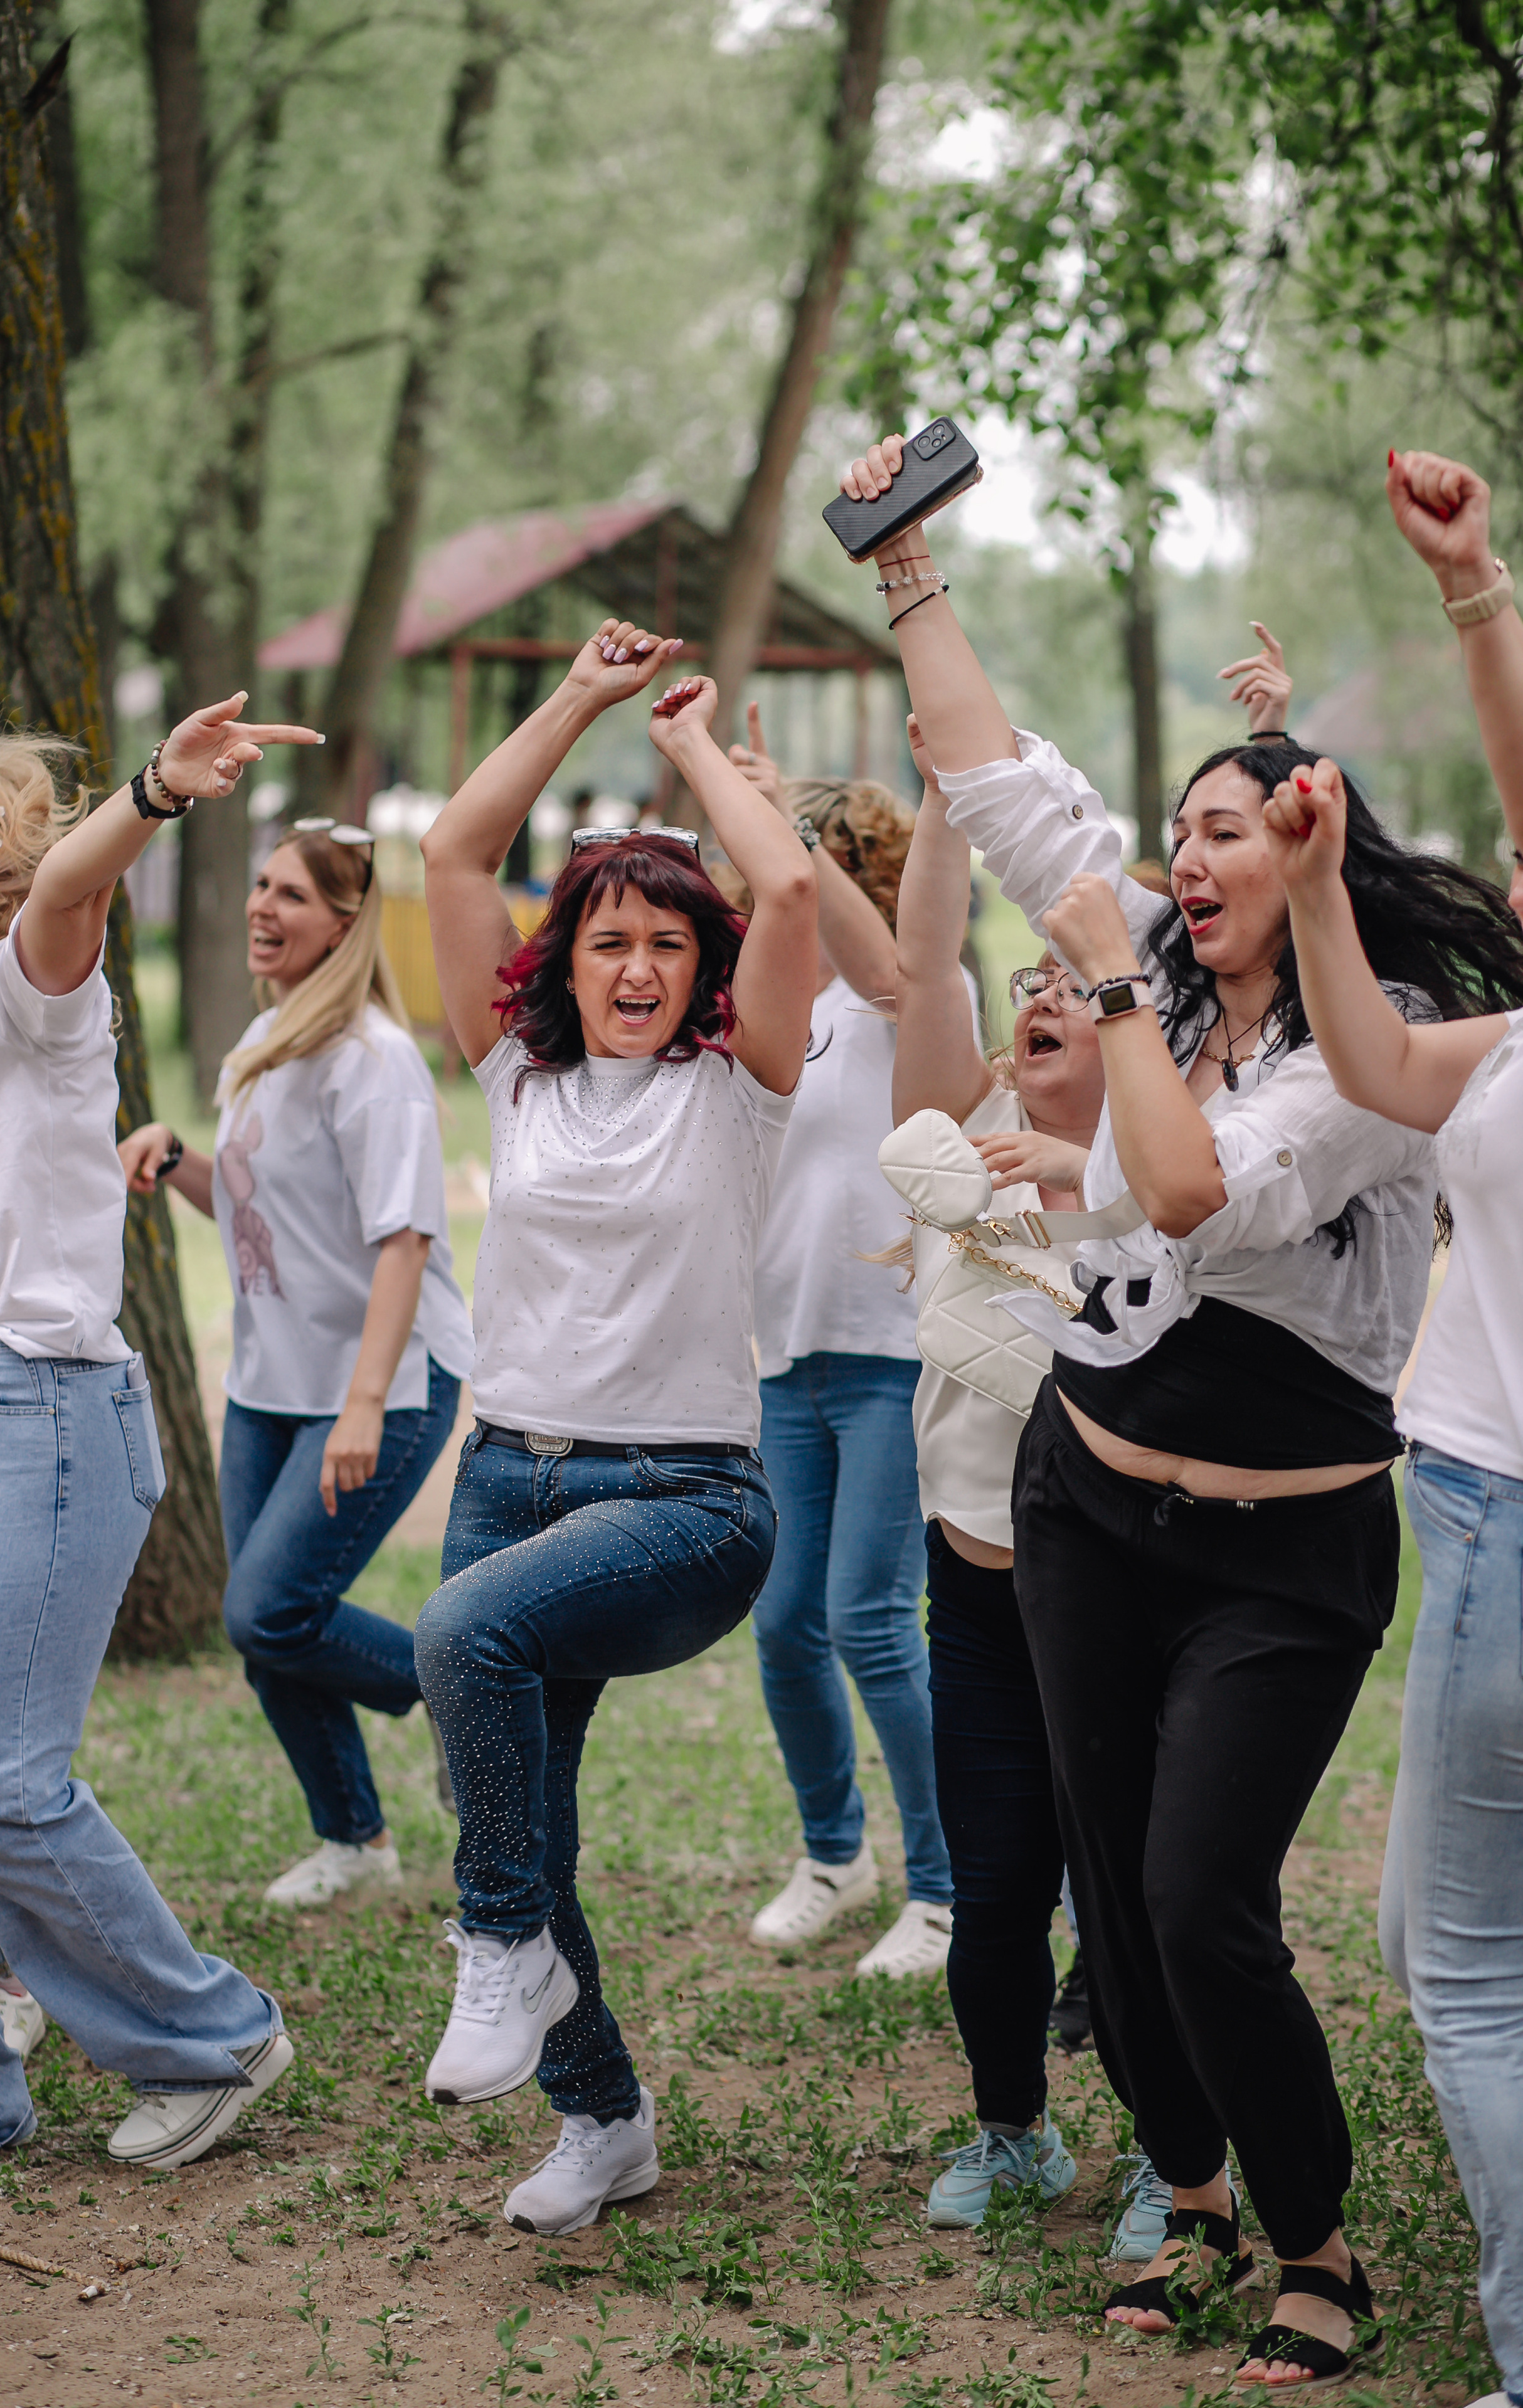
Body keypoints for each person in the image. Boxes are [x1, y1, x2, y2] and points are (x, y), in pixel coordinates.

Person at [834, 434, 1523, 2387]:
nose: (1190, 853)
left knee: (1199, 1898)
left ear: (1303, 854)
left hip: (1287, 1551)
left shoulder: (1354, 1079)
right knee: (1103, 1902)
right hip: (1084, 1501)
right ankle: (1191, 2185)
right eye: (1177, 831)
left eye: (1234, 829)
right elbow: (992, 766)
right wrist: (908, 568)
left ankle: (1320, 2246)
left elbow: (1189, 1190)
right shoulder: (1148, 956)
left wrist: (1120, 991)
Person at [412, 623, 817, 2239]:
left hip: (685, 1501)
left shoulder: (741, 1093)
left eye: (663, 943)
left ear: (696, 970)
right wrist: (574, 696)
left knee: (455, 1642)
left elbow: (783, 895)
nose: (636, 967)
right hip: (507, 1472)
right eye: (605, 943)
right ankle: (603, 2121)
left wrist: (690, 744)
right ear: (561, 964)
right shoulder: (515, 1080)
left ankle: (498, 1946)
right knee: (516, 1810)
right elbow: (452, 847)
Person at [0, 695, 317, 2171]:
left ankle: (211, 2038)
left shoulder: (34, 989)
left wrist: (152, 788)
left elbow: (79, 885)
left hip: (36, 1410)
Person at [1268, 448, 1523, 2408]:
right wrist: (1313, 892)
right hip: (1479, 1539)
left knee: (1468, 1980)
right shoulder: (1503, 1050)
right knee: (1441, 1923)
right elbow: (1366, 1053)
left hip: (1504, 1540)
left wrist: (1473, 594)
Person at [121, 821, 473, 1906]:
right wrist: (179, 1158)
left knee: (268, 1612)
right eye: (261, 884)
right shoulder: (263, 1045)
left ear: (345, 923)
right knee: (272, 1632)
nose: (263, 908)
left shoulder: (373, 1062)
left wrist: (365, 1404)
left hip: (385, 1384)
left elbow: (404, 1238)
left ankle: (478, 1697)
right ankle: (356, 1843)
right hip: (272, 1384)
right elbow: (250, 1214)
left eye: (295, 896)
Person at [883, 709, 1103, 2221]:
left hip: (1125, 1594)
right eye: (1022, 987)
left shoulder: (1170, 1179)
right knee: (991, 1897)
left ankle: (1176, 2156)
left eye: (1068, 991)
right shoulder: (958, 1131)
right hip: (969, 1587)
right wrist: (946, 805)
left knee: (1143, 1899)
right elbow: (924, 957)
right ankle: (1012, 2129)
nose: (1034, 997)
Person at [726, 704, 953, 1980]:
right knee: (780, 1628)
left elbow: (890, 971)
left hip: (888, 1355)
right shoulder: (773, 1020)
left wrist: (773, 814)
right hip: (784, 1362)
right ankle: (833, 1854)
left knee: (871, 1620)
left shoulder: (901, 1006)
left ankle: (946, 1884)